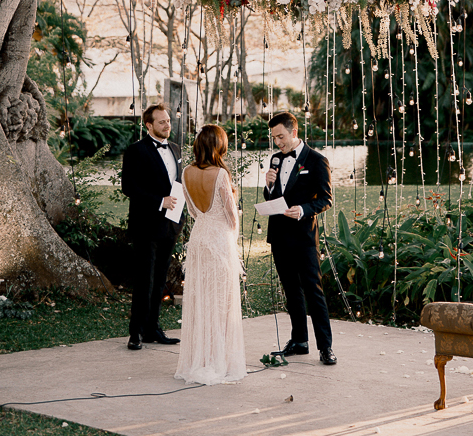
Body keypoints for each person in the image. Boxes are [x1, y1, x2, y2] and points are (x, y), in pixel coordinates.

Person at [175, 124, 246, 385]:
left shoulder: (186, 173)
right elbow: (230, 214)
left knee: (201, 299)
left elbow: (194, 212)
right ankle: (219, 360)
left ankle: (201, 357)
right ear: (219, 146)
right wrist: (233, 239)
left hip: (199, 238)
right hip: (218, 240)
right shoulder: (220, 175)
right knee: (221, 302)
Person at [263, 111, 336, 365]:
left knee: (313, 292)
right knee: (291, 291)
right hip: (280, 237)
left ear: (294, 132)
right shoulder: (274, 159)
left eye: (281, 137)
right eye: (274, 138)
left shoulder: (317, 160)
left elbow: (326, 199)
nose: (278, 143)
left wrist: (304, 210)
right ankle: (299, 341)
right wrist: (269, 185)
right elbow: (271, 197)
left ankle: (325, 347)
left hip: (304, 237)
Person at [121, 104, 183, 350]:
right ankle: (136, 333)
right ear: (149, 125)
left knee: (160, 281)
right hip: (146, 225)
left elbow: (176, 182)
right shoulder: (136, 150)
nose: (167, 125)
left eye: (168, 121)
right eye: (161, 122)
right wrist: (160, 201)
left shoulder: (176, 149)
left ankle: (153, 329)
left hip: (171, 225)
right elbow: (129, 187)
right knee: (144, 280)